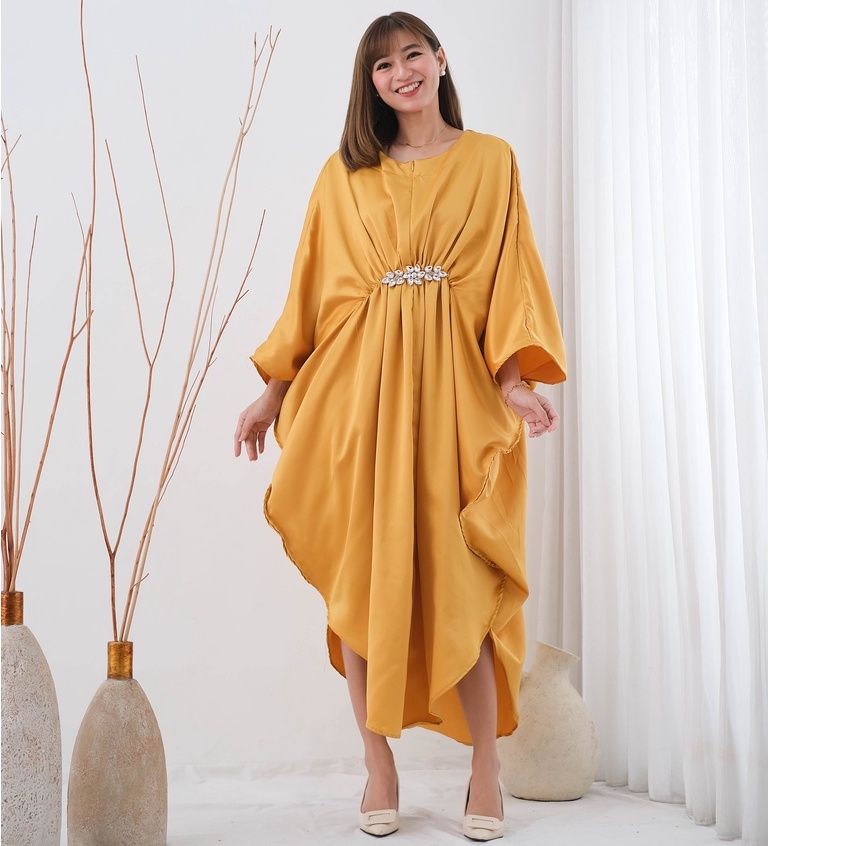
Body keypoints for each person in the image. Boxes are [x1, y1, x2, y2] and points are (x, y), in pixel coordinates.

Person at [234, 11, 567, 841]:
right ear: (371, 83)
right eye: (382, 66)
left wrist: (514, 380)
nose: (401, 73)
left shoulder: (491, 161)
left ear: (440, 60)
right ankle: (377, 764)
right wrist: (272, 394)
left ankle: (485, 768)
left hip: (455, 402)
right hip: (362, 402)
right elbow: (311, 293)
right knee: (364, 579)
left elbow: (510, 276)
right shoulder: (345, 175)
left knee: (465, 581)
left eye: (413, 54)